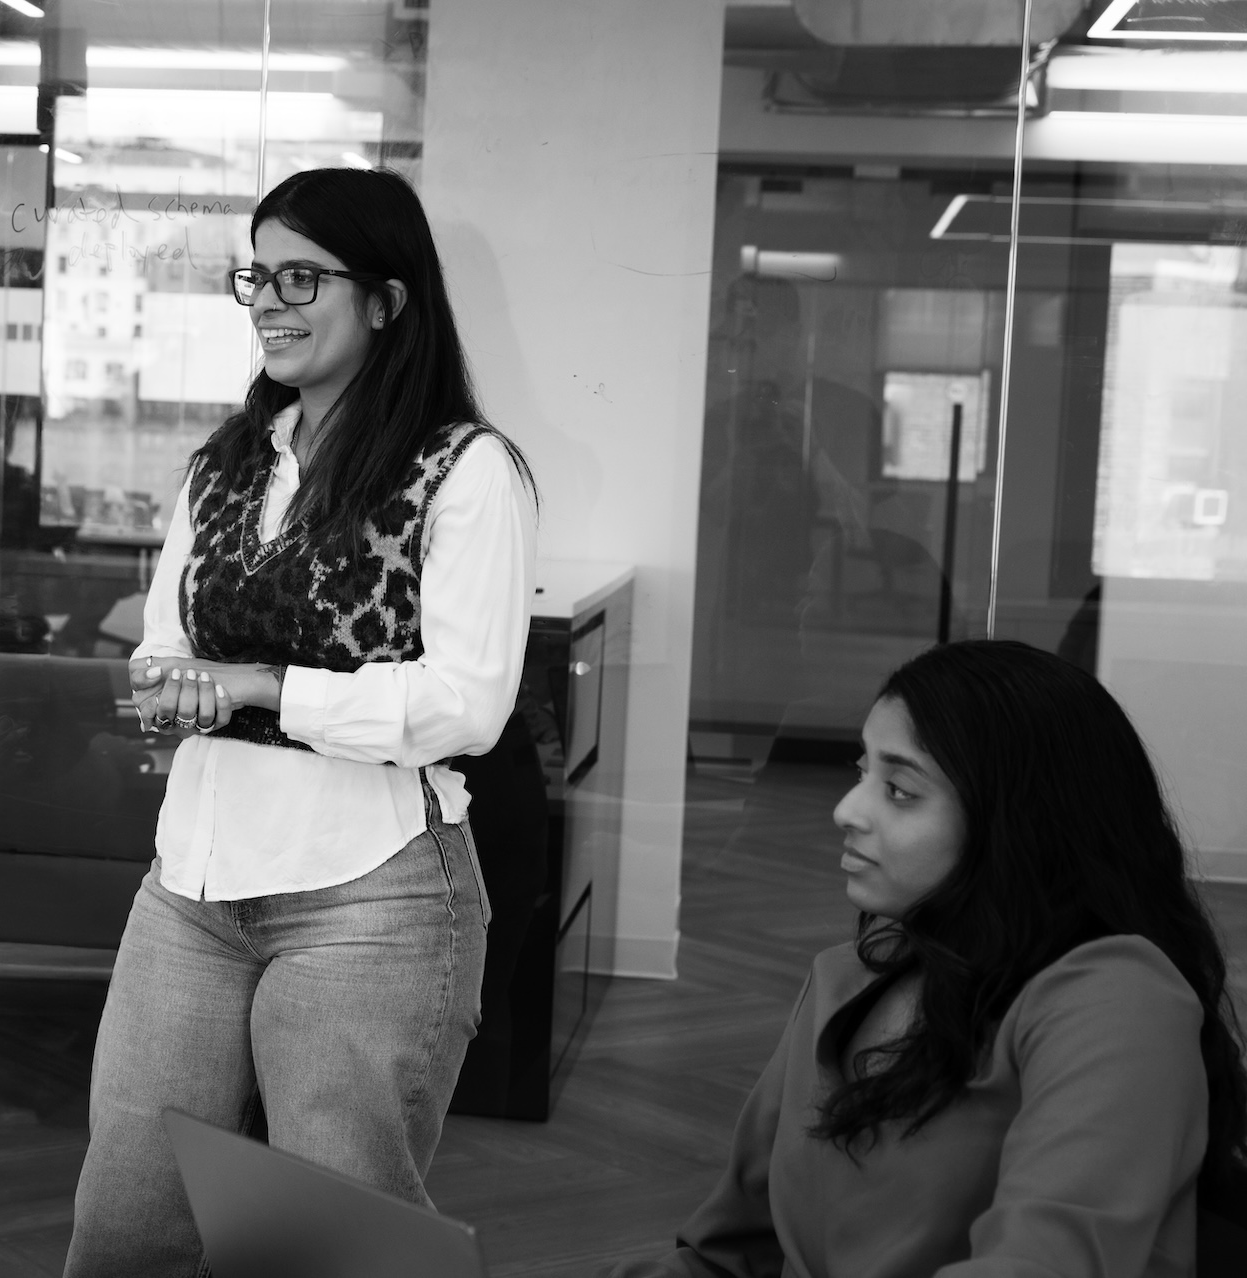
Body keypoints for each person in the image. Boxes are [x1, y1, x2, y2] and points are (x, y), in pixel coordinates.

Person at [64, 167, 537, 1277]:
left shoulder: (465, 471)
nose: (270, 299)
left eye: (301, 275)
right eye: (256, 274)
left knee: (327, 1246)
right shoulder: (226, 465)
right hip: (190, 883)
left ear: (387, 298)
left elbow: (466, 704)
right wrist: (175, 682)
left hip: (372, 896)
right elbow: (163, 640)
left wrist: (263, 687)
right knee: (125, 1220)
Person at [611, 640, 1247, 1278]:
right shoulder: (845, 976)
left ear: (1018, 821)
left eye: (900, 790)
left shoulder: (1116, 1001)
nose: (846, 811)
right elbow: (727, 1257)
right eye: (861, 773)